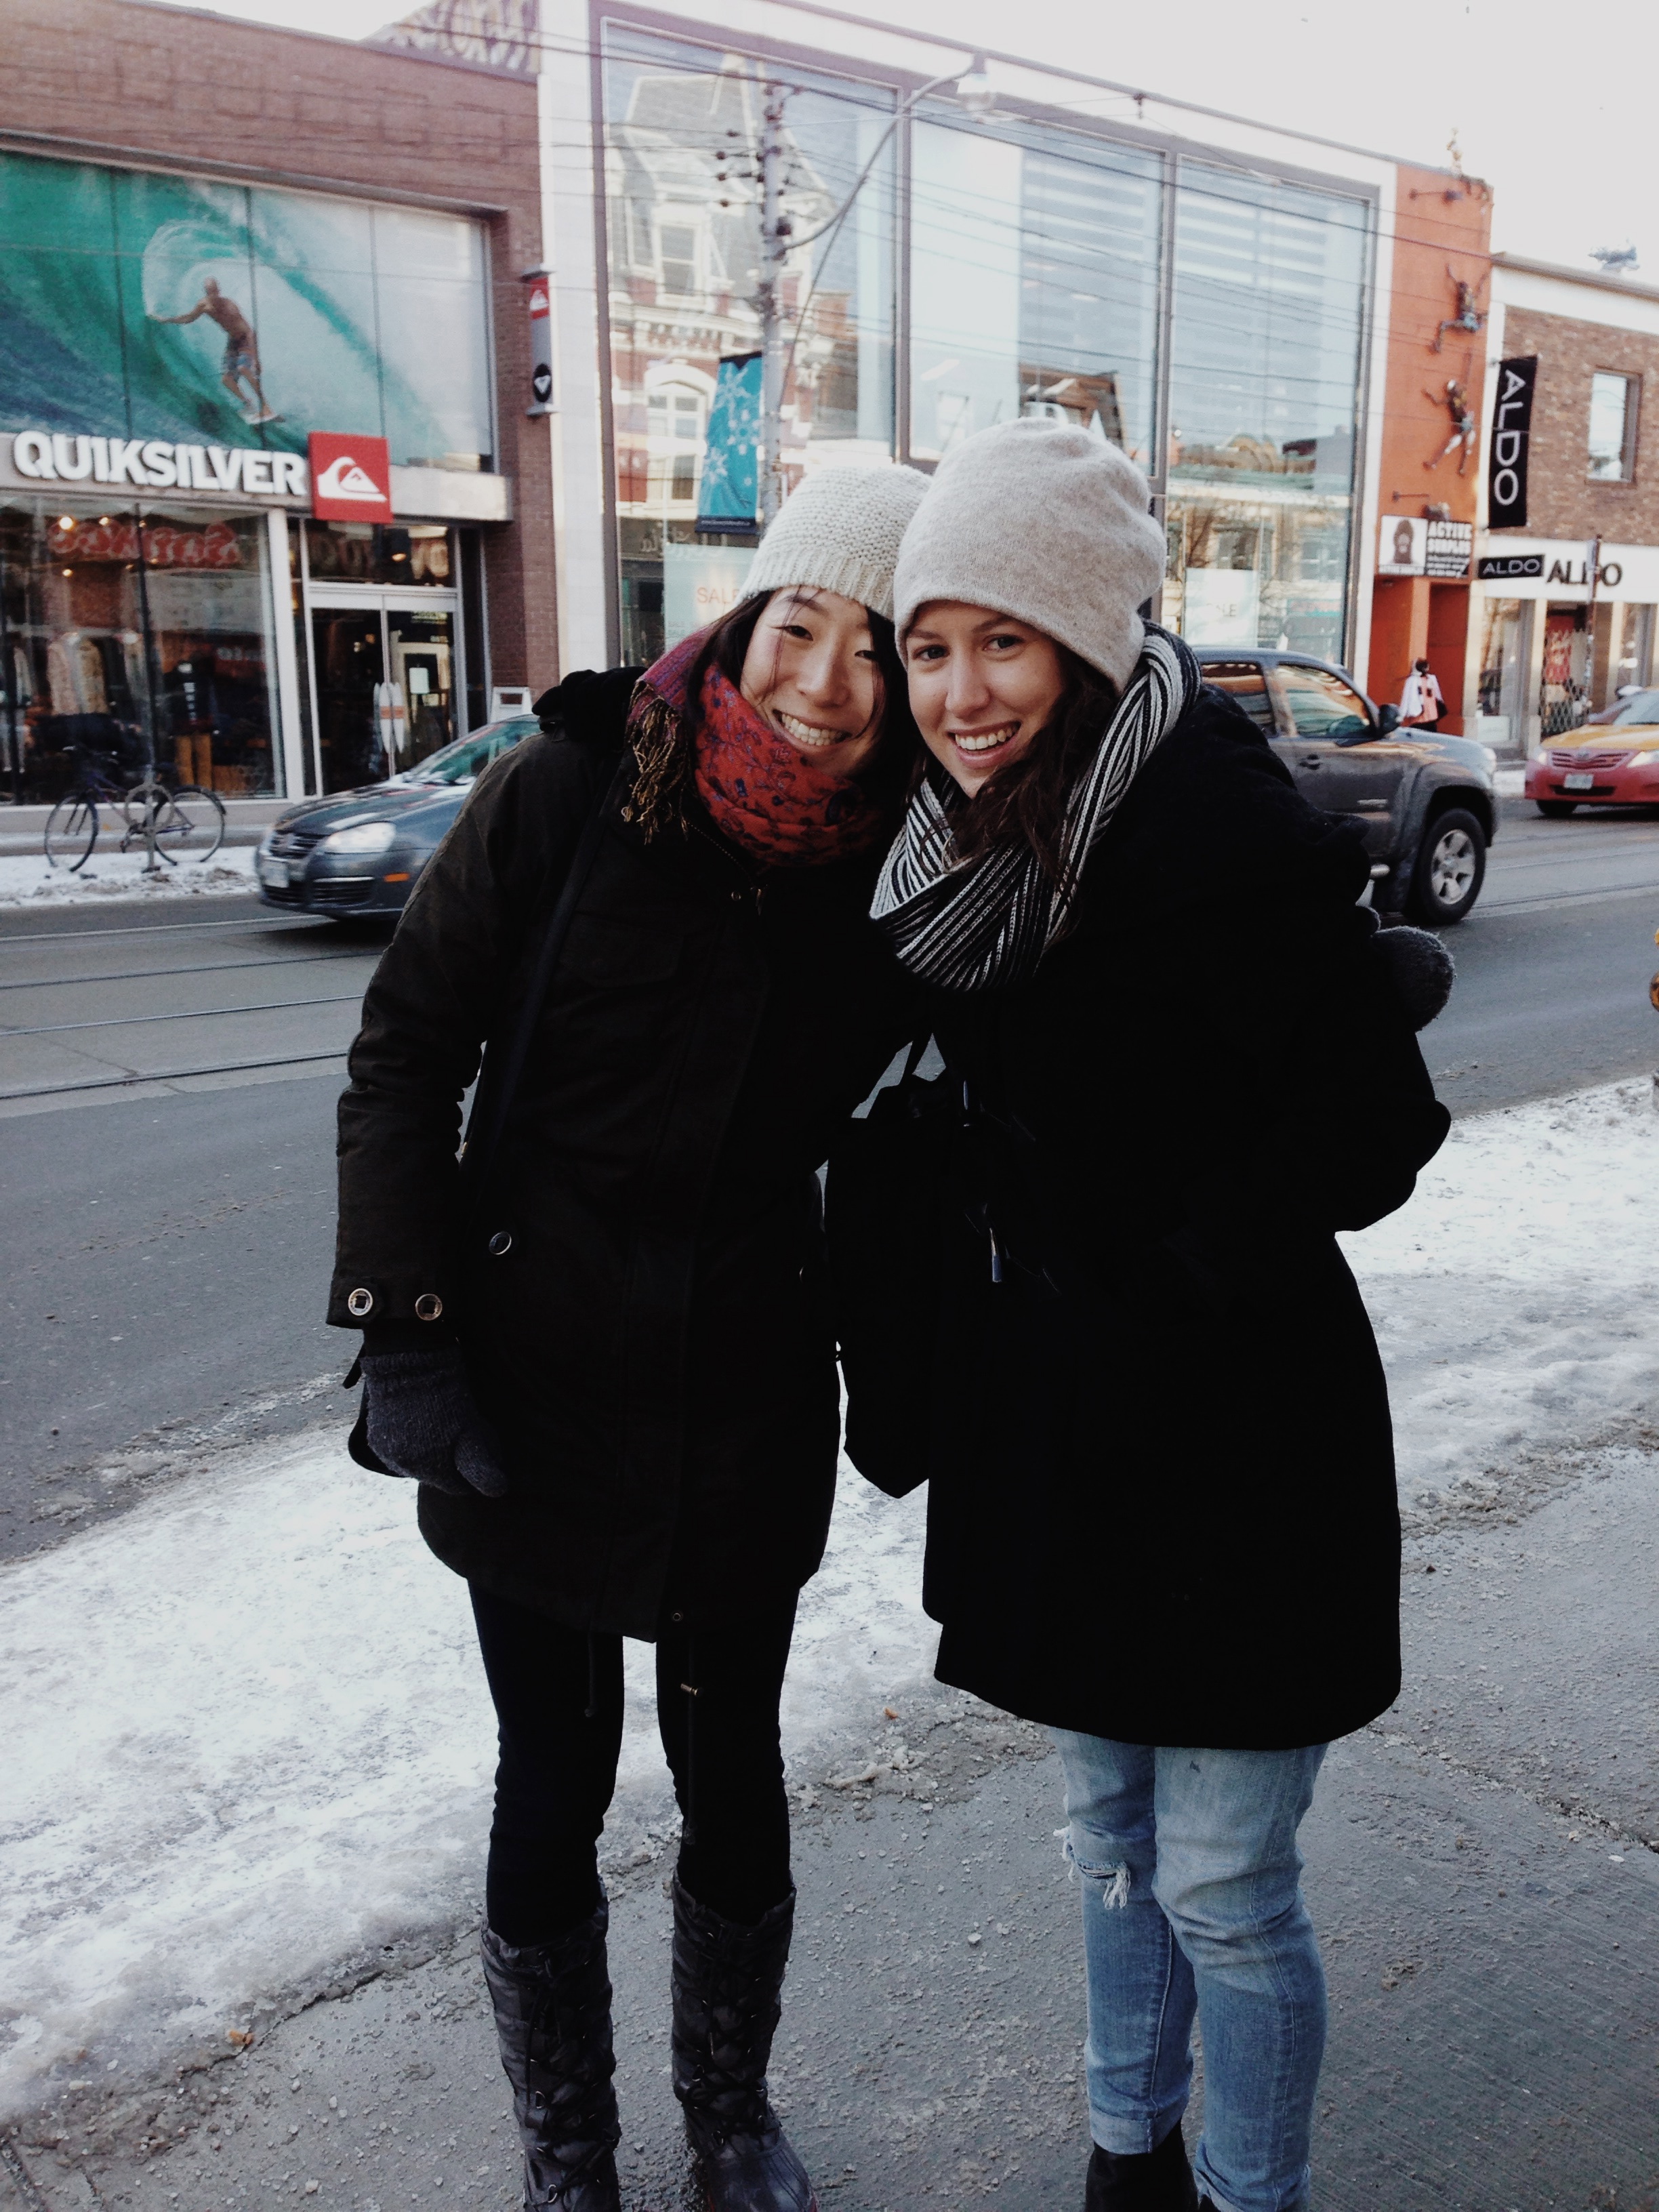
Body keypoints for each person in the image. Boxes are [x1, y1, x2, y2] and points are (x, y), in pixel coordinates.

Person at [859, 418, 1450, 2212]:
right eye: (930, 648)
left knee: (1225, 1885)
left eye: (1005, 641)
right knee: (1105, 1836)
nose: (961, 693)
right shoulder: (960, 858)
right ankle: (1133, 2165)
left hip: (1242, 1435)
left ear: (1089, 638)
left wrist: (1180, 1257)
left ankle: (1250, 2196)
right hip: (1062, 1428)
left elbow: (1379, 1132)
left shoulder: (1218, 834)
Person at [329, 462, 927, 2212]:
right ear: (746, 618)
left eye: (878, 648)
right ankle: (569, 2156)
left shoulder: (908, 864)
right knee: (552, 1778)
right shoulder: (574, 787)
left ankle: (728, 2122)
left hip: (745, 1392)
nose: (827, 682)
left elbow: (1077, 950)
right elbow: (404, 1052)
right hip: (532, 1387)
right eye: (802, 625)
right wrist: (407, 1328)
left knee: (735, 1774)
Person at [150, 277, 277, 424]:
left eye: (215, 292)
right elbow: (188, 318)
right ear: (207, 293)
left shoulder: (230, 306)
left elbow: (248, 331)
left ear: (219, 291)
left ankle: (266, 407)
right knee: (227, 380)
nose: (213, 295)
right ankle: (248, 404)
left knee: (243, 369)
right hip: (233, 341)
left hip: (245, 339)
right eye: (210, 292)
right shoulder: (204, 306)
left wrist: (256, 359)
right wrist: (166, 320)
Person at [1399, 657, 1444, 730]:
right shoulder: (1432, 679)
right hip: (1432, 718)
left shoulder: (1411, 681)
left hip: (1418, 719)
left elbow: (1406, 699)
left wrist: (1400, 717)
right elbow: (1438, 697)